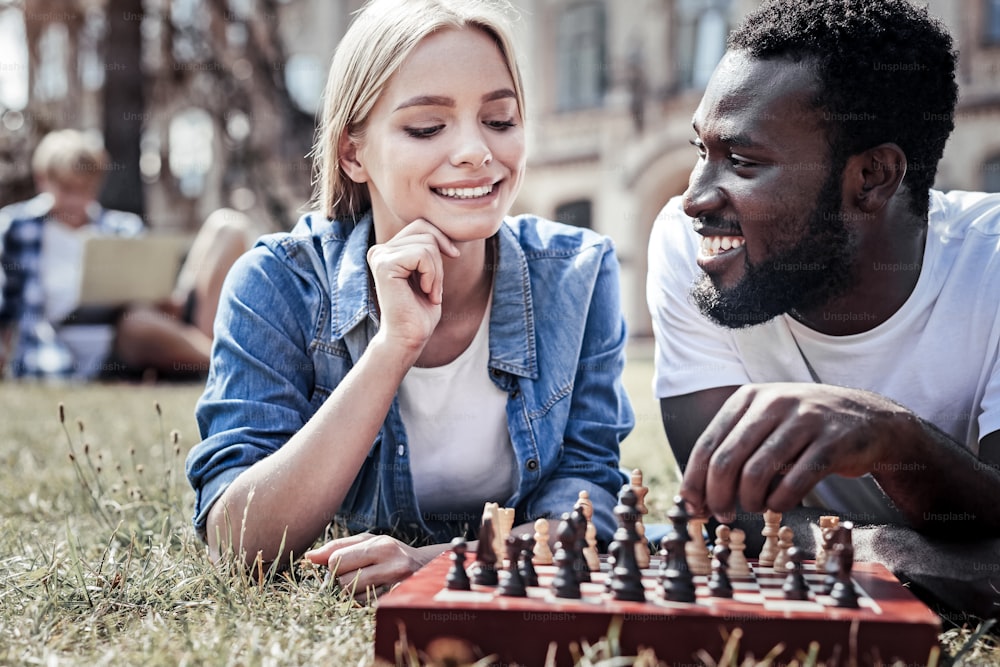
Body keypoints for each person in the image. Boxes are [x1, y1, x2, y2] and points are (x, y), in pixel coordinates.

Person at [184, 0, 634, 594]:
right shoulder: (276, 283)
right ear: (352, 152)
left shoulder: (578, 274)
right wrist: (393, 346)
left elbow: (590, 507)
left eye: (500, 121)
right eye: (427, 127)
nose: (476, 151)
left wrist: (441, 561)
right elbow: (238, 539)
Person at [647, 0, 1000, 617]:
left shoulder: (990, 265)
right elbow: (727, 513)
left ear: (871, 177)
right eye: (701, 151)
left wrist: (892, 436)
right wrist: (876, 547)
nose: (694, 199)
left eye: (744, 162)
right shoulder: (691, 248)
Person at [0, 129, 256, 380]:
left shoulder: (122, 227)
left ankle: (215, 355)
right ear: (42, 179)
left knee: (228, 226)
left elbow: (159, 296)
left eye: (86, 190)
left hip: (160, 317)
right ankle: (231, 363)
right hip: (100, 342)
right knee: (136, 323)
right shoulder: (16, 228)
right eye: (67, 189)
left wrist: (157, 293)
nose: (77, 201)